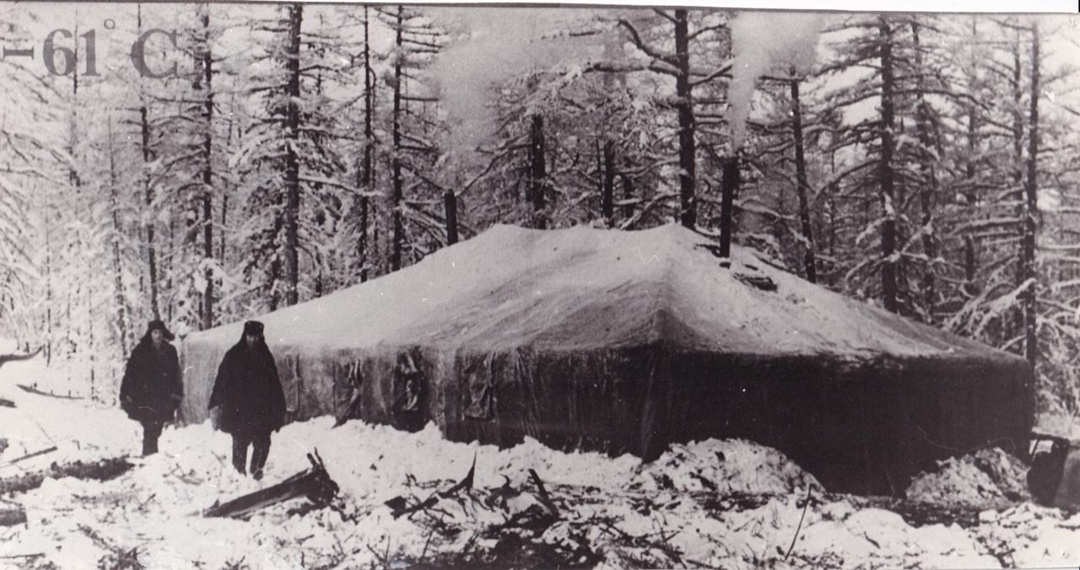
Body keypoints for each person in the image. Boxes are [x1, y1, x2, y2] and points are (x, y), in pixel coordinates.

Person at [208, 320, 286, 480]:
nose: (253, 340)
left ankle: (256, 470)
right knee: (240, 443)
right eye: (250, 336)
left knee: (263, 442)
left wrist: (279, 408)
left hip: (260, 410)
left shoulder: (265, 356)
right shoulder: (233, 355)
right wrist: (216, 403)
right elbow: (222, 380)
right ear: (245, 335)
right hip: (239, 409)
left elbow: (274, 383)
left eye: (256, 336)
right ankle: (239, 475)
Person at [120, 320, 183, 456]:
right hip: (144, 396)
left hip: (162, 396)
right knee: (149, 426)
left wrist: (176, 393)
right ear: (150, 334)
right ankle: (150, 457)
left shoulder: (170, 351)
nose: (158, 336)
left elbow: (175, 373)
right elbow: (130, 372)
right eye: (155, 332)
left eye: (160, 332)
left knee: (157, 427)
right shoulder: (141, 350)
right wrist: (125, 393)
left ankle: (151, 458)